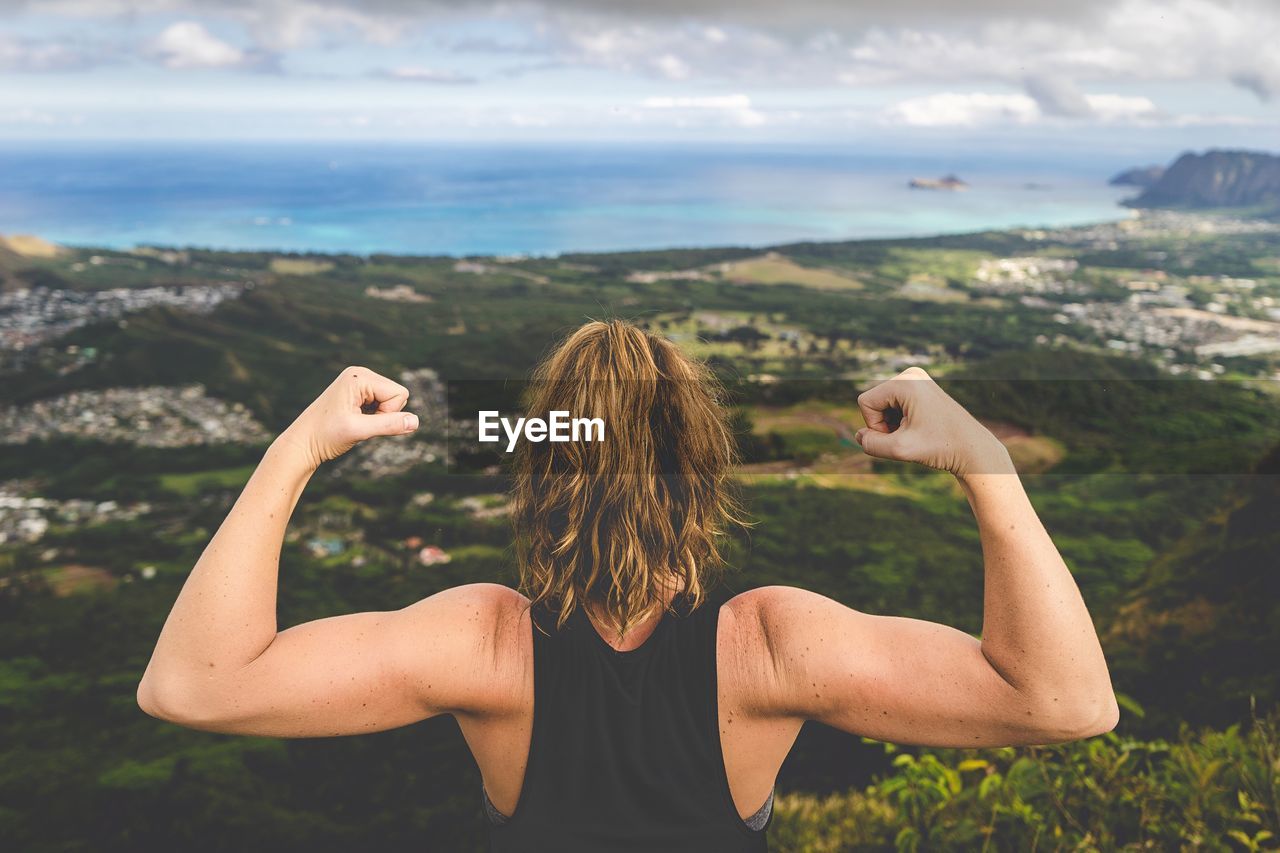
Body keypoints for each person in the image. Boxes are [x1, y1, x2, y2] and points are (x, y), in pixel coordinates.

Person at [137, 319, 1119, 852]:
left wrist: (296, 450)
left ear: (538, 471)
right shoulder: (771, 646)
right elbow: (1065, 702)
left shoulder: (480, 643)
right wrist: (985, 465)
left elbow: (193, 685)